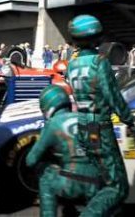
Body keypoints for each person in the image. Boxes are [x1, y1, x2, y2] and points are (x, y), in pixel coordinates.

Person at [66, 14, 135, 216]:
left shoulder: (72, 64)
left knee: (98, 180)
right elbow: (112, 96)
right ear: (96, 38)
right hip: (99, 128)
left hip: (82, 126)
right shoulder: (99, 62)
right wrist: (129, 119)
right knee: (117, 187)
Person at [26, 85, 100, 217]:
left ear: (48, 108)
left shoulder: (53, 124)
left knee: (46, 175)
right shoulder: (88, 119)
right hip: (96, 181)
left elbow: (31, 160)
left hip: (71, 182)